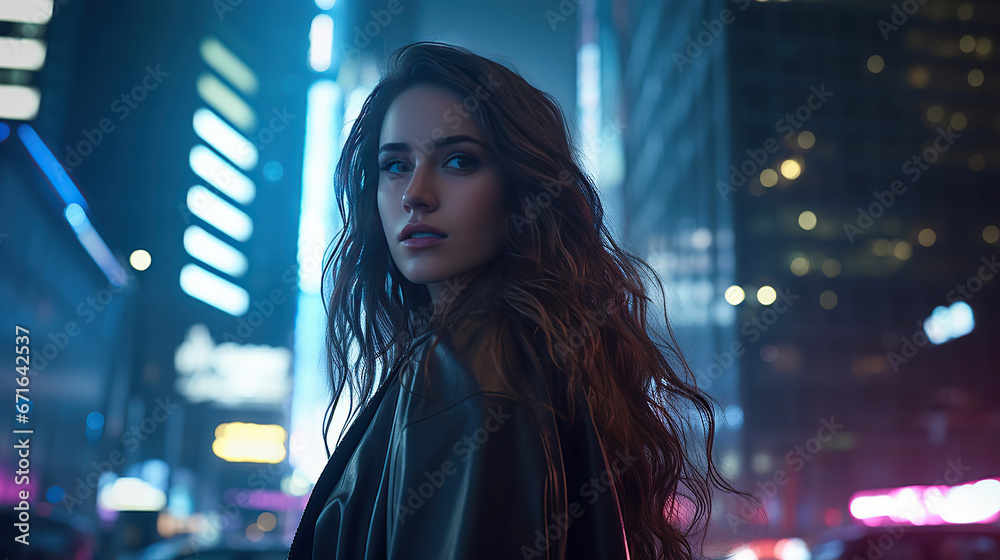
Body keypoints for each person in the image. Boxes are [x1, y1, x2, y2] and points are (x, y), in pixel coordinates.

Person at [288, 41, 745, 560]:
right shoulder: (525, 353)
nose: (415, 193)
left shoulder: (465, 365)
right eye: (395, 165)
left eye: (459, 161)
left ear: (521, 188)